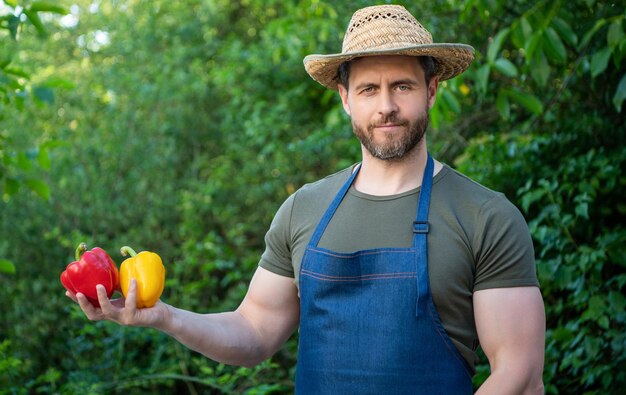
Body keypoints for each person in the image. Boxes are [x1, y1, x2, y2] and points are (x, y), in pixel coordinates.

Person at [66, 4, 545, 394]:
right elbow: (254, 332)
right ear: (344, 98)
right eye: (368, 89)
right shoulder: (305, 210)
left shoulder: (485, 216)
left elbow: (517, 370)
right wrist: (166, 317)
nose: (386, 106)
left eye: (402, 86)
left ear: (432, 90)